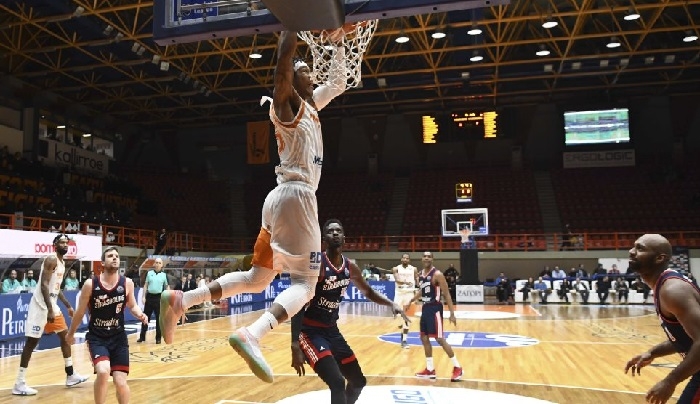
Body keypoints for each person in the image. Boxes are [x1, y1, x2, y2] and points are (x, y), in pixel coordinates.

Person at [160, 28, 348, 383]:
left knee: (257, 278)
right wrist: (290, 25)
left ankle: (183, 299)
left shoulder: (310, 105)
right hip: (297, 197)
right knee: (306, 286)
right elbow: (281, 69)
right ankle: (253, 333)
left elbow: (338, 82)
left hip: (278, 200)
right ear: (294, 80)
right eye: (304, 68)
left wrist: (338, 43)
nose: (311, 71)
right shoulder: (287, 105)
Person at [290, 219, 408, 404]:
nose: (335, 233)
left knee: (358, 381)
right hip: (310, 332)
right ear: (324, 239)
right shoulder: (317, 265)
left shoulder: (350, 267)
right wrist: (295, 344)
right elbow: (297, 303)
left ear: (344, 238)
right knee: (337, 382)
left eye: (339, 231)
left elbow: (368, 291)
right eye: (330, 231)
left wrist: (390, 304)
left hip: (332, 331)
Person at [623, 234, 700, 404]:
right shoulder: (664, 286)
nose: (631, 252)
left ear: (659, 258)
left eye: (640, 248)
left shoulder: (672, 290)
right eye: (633, 246)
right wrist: (653, 353)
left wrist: (670, 381)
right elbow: (684, 337)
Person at [66, 246, 149, 404]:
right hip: (98, 338)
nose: (115, 258)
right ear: (102, 263)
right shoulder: (91, 284)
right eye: (110, 255)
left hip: (118, 338)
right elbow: (79, 312)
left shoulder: (127, 283)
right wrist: (70, 333)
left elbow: (132, 305)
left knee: (120, 382)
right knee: (103, 372)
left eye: (117, 255)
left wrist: (140, 313)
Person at [12, 234, 88, 396]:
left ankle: (70, 375)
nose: (65, 244)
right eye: (61, 242)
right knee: (31, 343)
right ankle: (19, 383)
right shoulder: (51, 259)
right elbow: (44, 286)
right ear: (55, 245)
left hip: (52, 305)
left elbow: (56, 287)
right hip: (40, 306)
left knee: (66, 337)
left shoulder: (61, 262)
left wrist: (67, 305)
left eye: (67, 242)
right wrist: (49, 309)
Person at [414, 251, 462, 382]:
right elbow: (422, 291)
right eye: (424, 256)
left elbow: (446, 294)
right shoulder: (421, 274)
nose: (427, 258)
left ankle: (457, 367)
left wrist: (452, 313)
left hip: (435, 308)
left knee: (440, 339)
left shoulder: (438, 274)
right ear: (421, 258)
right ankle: (430, 369)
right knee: (424, 337)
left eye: (429, 256)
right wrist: (410, 300)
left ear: (432, 259)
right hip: (425, 308)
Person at [137, 257, 169, 344]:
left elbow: (167, 287)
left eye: (159, 263)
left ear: (162, 265)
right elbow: (146, 285)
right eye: (156, 262)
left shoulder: (164, 275)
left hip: (159, 298)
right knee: (145, 318)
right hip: (149, 297)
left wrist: (168, 297)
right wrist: (143, 296)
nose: (157, 264)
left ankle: (158, 338)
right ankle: (142, 337)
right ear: (154, 264)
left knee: (159, 319)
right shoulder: (149, 273)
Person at [391, 253, 417, 348]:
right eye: (404, 258)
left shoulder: (413, 269)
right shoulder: (395, 268)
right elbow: (397, 280)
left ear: (409, 260)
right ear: (401, 259)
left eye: (407, 258)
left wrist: (419, 285)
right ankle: (401, 324)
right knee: (396, 313)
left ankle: (404, 340)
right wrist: (406, 282)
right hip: (399, 293)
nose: (405, 259)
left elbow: (417, 279)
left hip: (409, 294)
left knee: (406, 317)